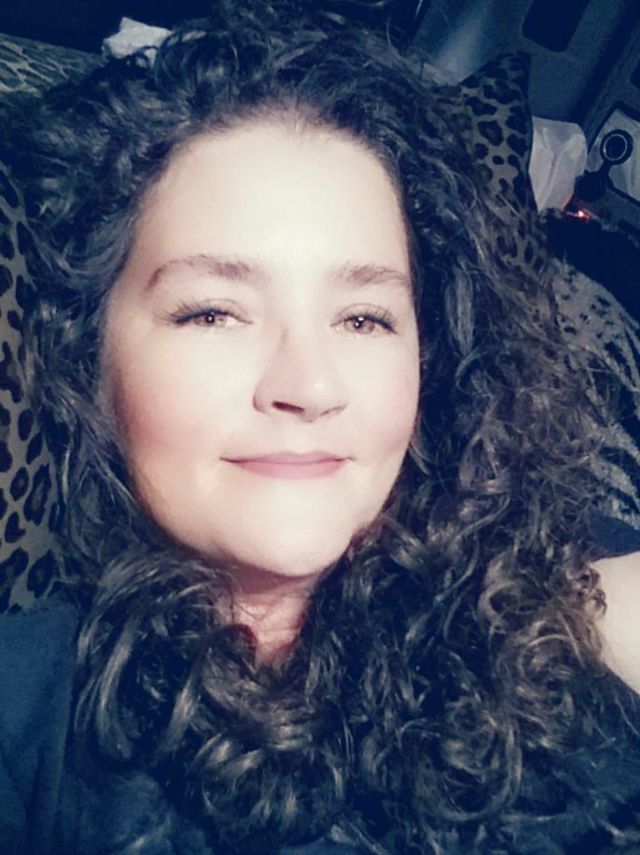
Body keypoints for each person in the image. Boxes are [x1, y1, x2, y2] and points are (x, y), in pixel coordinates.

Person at [2, 1, 640, 853]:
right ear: (93, 355)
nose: (308, 385)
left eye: (365, 318)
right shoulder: (30, 714)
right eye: (213, 312)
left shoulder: (563, 575)